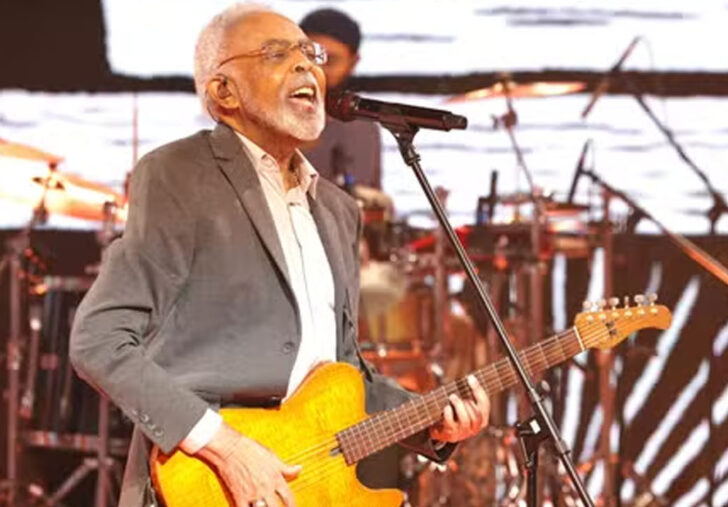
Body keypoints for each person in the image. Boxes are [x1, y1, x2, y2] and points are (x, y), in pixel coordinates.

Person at [68, 5, 489, 507]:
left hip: (307, 487)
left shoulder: (336, 210)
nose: (307, 65)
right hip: (208, 482)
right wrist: (228, 449)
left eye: (311, 55)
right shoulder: (180, 173)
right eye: (276, 53)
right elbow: (98, 340)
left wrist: (433, 422)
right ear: (224, 92)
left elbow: (343, 374)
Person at [298, 8, 383, 189]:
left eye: (331, 61)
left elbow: (371, 198)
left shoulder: (363, 126)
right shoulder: (268, 116)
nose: (317, 69)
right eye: (310, 57)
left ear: (353, 62)